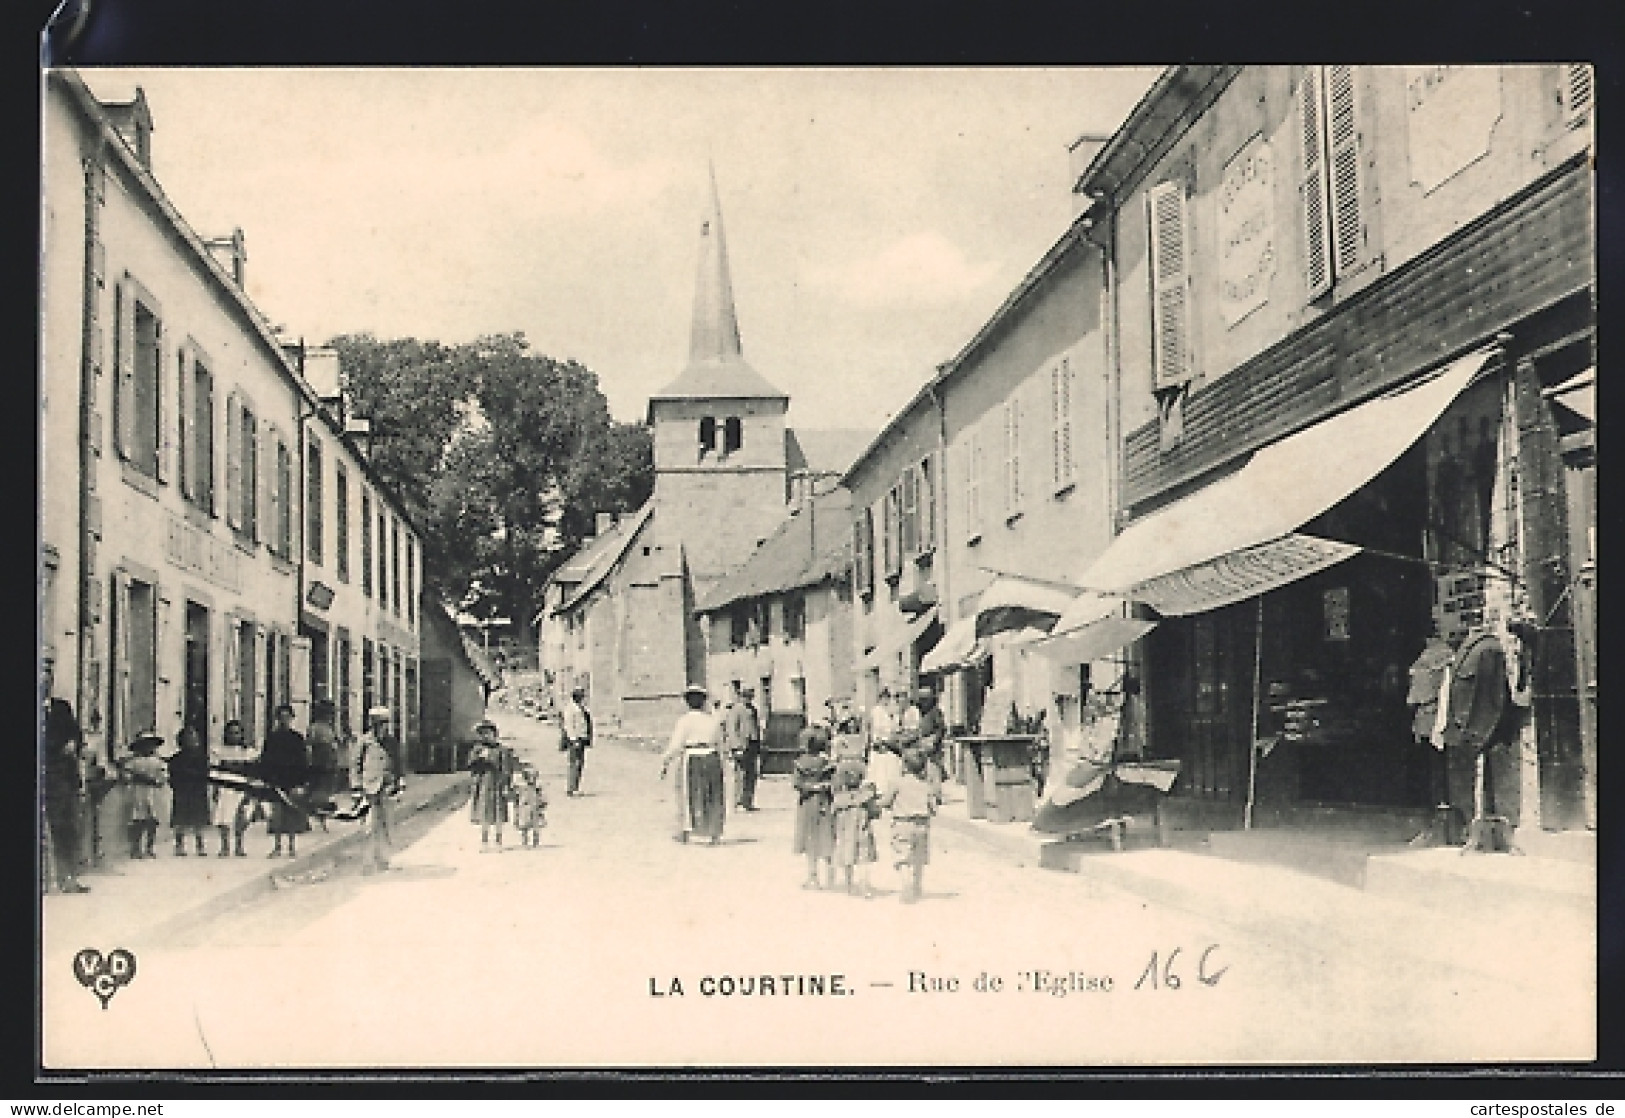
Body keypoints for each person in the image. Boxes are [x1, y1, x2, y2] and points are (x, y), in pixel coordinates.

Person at [41, 656, 90, 893]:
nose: (46, 678)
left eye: (49, 673)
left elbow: (76, 735)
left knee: (67, 828)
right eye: (41, 672)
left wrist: (74, 743)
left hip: (63, 779)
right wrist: (61, 745)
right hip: (44, 775)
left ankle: (67, 877)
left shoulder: (61, 708)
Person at [659, 686, 725, 844]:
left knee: (689, 794)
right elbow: (720, 741)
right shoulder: (712, 720)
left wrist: (665, 760)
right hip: (712, 758)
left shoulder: (685, 721)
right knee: (713, 794)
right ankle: (714, 832)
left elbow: (676, 745)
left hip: (693, 758)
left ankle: (686, 831)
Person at [881, 747, 940, 904]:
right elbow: (933, 808)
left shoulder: (896, 783)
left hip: (902, 823)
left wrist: (879, 803)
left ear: (904, 765)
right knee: (919, 858)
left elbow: (886, 802)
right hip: (922, 824)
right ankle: (917, 886)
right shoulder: (926, 785)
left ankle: (906, 884)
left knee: (903, 857)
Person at [351, 706, 401, 874]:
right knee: (368, 826)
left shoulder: (392, 742)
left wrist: (399, 782)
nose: (383, 727)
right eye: (379, 724)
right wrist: (356, 787)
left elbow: (398, 763)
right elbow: (355, 765)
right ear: (372, 724)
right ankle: (367, 861)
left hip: (387, 788)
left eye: (385, 723)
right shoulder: (364, 742)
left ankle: (383, 859)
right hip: (368, 788)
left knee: (386, 824)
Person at [261, 704, 312, 858]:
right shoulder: (272, 738)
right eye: (281, 717)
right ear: (277, 719)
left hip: (292, 780)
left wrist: (303, 782)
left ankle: (291, 846)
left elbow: (303, 761)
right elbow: (266, 760)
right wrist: (266, 779)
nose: (284, 720)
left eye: (287, 717)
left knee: (291, 813)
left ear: (291, 719)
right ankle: (277, 847)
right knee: (276, 815)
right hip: (276, 780)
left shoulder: (297, 738)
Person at [791, 723, 837, 889]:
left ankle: (813, 876)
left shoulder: (800, 763)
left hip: (808, 803)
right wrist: (824, 786)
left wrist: (811, 787)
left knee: (810, 840)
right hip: (825, 802)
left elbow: (796, 784)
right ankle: (831, 875)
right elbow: (834, 783)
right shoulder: (827, 763)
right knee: (827, 836)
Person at [831, 757, 879, 898]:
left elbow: (833, 813)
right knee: (864, 860)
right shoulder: (865, 797)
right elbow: (875, 812)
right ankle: (864, 886)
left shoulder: (839, 799)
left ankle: (849, 885)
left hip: (846, 834)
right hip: (862, 832)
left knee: (847, 858)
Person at [211, 718, 258, 857]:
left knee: (242, 817)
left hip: (241, 785)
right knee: (224, 818)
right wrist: (215, 788)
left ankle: (239, 845)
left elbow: (252, 772)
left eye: (237, 733)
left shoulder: (248, 752)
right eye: (231, 733)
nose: (234, 736)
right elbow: (215, 771)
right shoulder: (219, 751)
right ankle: (225, 846)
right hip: (225, 786)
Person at [119, 731, 168, 860]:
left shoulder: (158, 762)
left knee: (152, 820)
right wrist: (135, 777)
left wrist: (156, 780)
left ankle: (149, 847)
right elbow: (126, 776)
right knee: (138, 820)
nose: (148, 748)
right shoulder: (133, 762)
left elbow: (163, 777)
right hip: (138, 791)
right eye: (145, 745)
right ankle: (135, 847)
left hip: (153, 792)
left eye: (151, 745)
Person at [468, 720, 514, 851]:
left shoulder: (502, 750)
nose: (486, 736)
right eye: (482, 734)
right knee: (484, 814)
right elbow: (471, 766)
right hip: (483, 785)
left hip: (497, 784)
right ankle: (484, 841)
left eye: (488, 733)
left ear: (494, 734)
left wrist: (506, 784)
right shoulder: (478, 749)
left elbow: (506, 768)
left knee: (498, 813)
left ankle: (498, 841)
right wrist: (478, 759)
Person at [167, 726, 212, 856]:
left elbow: (206, 774)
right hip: (182, 791)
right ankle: (179, 845)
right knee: (180, 820)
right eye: (188, 739)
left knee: (199, 821)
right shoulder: (176, 759)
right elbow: (172, 775)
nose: (192, 741)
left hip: (197, 792)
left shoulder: (202, 758)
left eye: (193, 738)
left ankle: (200, 845)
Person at [305, 699, 341, 832]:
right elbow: (309, 746)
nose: (331, 716)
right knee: (316, 794)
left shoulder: (329, 728)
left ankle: (322, 820)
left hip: (329, 765)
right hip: (319, 765)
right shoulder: (315, 728)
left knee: (325, 794)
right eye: (329, 713)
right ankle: (315, 820)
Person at [729, 683, 763, 812]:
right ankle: (738, 802)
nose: (748, 699)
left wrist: (759, 744)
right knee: (741, 774)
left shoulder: (753, 709)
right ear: (741, 696)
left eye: (750, 696)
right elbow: (732, 729)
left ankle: (748, 801)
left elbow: (756, 727)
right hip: (741, 746)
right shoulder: (736, 709)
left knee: (752, 774)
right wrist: (736, 746)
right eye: (746, 696)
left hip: (753, 745)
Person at [912, 688, 948, 793]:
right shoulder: (924, 713)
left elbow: (941, 728)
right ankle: (931, 793)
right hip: (926, 744)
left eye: (925, 700)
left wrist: (934, 741)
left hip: (933, 746)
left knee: (934, 770)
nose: (923, 703)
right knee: (928, 771)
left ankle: (936, 794)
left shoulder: (935, 712)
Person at [560, 687, 593, 797]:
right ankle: (571, 788)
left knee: (580, 763)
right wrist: (573, 739)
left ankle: (575, 787)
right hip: (575, 739)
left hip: (581, 738)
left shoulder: (580, 708)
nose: (583, 698)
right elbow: (569, 726)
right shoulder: (570, 709)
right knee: (574, 763)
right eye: (581, 696)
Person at [512, 766, 547, 849]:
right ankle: (525, 842)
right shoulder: (521, 787)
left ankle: (536, 842)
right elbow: (516, 797)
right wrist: (516, 807)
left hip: (535, 808)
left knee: (536, 826)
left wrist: (542, 804)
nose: (532, 779)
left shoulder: (537, 788)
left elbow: (543, 797)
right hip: (524, 808)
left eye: (534, 777)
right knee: (524, 826)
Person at [868, 687, 898, 756]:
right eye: (885, 698)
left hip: (888, 741)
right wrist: (880, 741)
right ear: (880, 698)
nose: (886, 700)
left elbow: (892, 726)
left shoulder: (887, 710)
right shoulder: (876, 710)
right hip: (879, 742)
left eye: (888, 698)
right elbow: (876, 727)